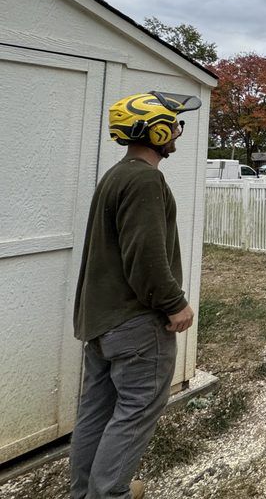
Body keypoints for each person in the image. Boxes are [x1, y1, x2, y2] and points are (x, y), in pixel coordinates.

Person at [70, 91, 202, 499]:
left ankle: (85, 491)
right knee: (136, 411)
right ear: (156, 130)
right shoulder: (145, 179)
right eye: (174, 123)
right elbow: (145, 256)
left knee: (97, 411)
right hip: (136, 324)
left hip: (101, 320)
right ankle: (109, 493)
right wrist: (174, 303)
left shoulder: (117, 174)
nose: (178, 130)